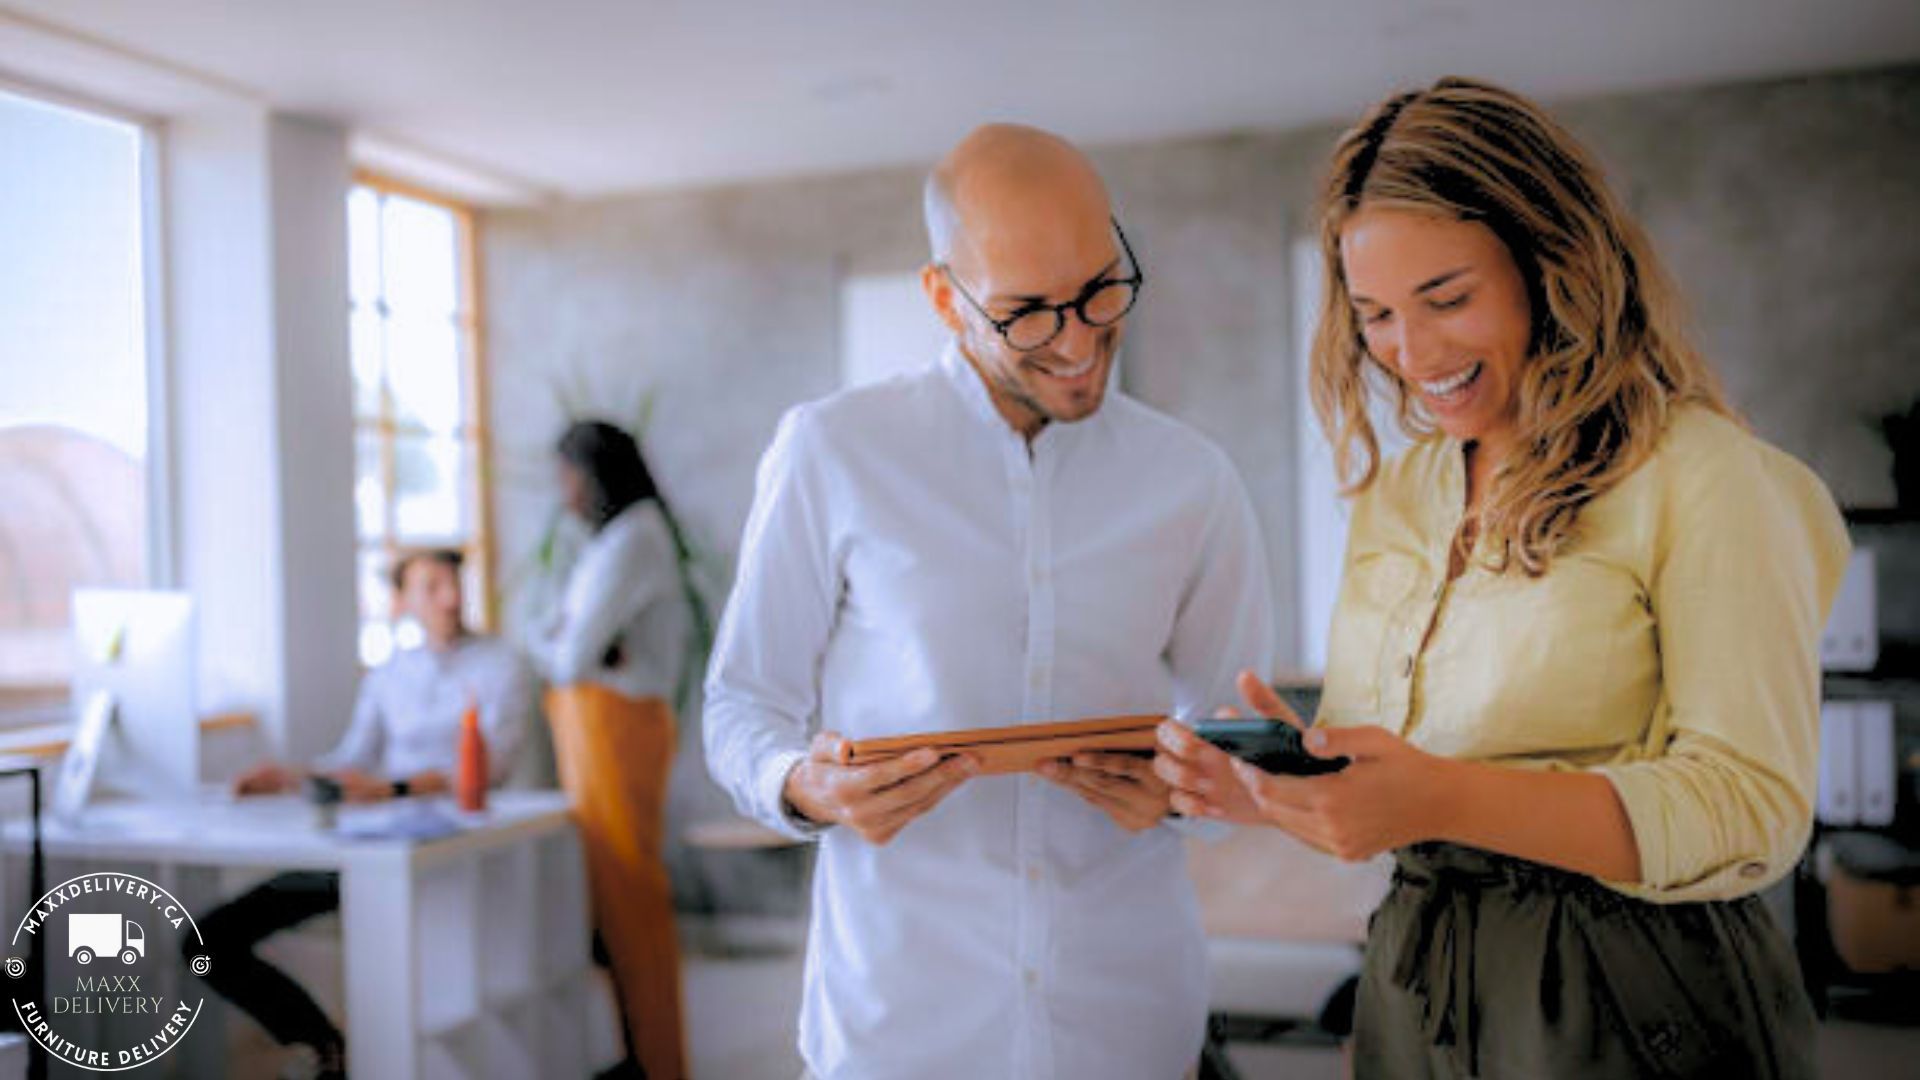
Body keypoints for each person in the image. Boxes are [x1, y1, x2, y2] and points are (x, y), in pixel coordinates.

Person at [1155, 77, 1850, 1079]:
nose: (1411, 353)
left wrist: (1442, 798)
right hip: (1419, 981)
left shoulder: (1705, 477)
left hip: (1630, 985)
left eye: (1448, 298)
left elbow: (1750, 809)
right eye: (1376, 315)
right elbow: (1397, 791)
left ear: (1550, 262)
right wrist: (1268, 794)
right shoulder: (1400, 495)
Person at [703, 123, 1274, 1080]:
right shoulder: (832, 452)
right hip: (898, 1024)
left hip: (1128, 1019)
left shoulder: (1195, 481)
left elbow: (1242, 732)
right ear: (944, 297)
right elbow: (741, 707)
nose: (1080, 340)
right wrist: (810, 787)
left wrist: (1185, 793)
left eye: (1100, 290)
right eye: (1029, 313)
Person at [210, 548, 532, 1080]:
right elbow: (350, 762)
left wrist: (393, 787)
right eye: (432, 587)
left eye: (454, 583)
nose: (450, 598)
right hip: (376, 845)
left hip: (450, 851)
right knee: (212, 937)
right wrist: (292, 777)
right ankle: (322, 1046)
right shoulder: (387, 676)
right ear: (402, 600)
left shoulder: (501, 665)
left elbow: (489, 769)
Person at [531, 419, 702, 1080]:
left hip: (616, 728)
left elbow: (565, 652)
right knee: (614, 902)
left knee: (631, 901)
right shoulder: (615, 542)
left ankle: (658, 1064)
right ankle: (640, 1056)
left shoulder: (635, 537)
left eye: (568, 474)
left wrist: (570, 645)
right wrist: (577, 644)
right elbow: (568, 640)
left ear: (596, 474)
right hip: (600, 727)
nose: (563, 491)